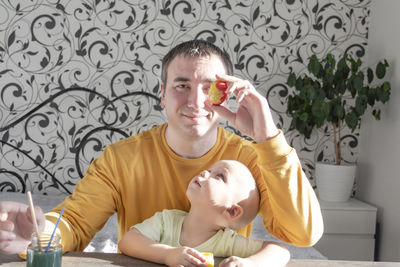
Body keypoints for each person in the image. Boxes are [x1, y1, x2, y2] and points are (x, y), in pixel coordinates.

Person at [0, 39, 323, 255]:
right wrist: (40, 233)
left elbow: (303, 235)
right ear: (162, 94)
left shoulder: (251, 157)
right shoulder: (121, 159)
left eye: (209, 89)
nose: (195, 102)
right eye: (182, 86)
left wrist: (269, 139)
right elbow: (76, 223)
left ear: (224, 95)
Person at [119, 160, 290, 267]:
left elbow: (280, 251)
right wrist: (167, 255)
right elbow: (128, 241)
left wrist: (251, 263)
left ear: (232, 211)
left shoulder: (226, 241)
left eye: (220, 176)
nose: (205, 172)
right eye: (209, 169)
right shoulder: (166, 220)